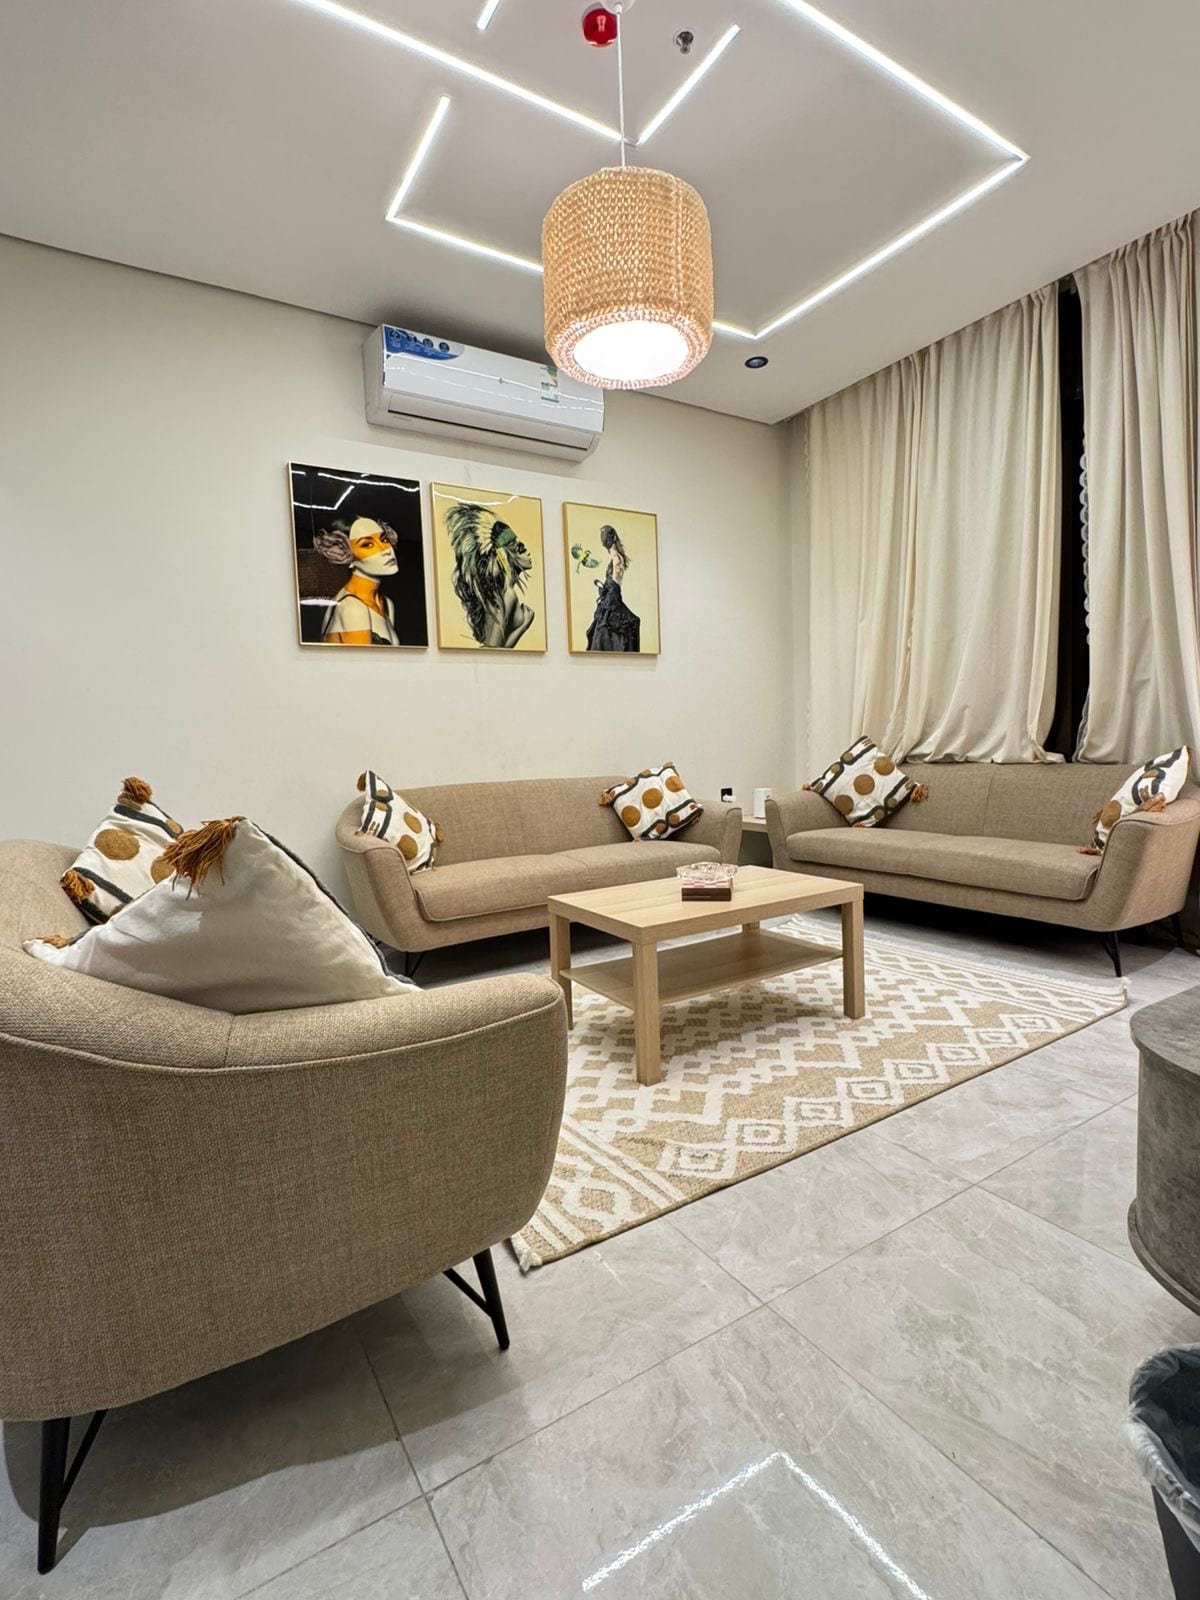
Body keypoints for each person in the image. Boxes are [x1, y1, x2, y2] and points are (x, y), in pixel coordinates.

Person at [313, 517, 402, 645]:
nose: (386, 550)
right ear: (343, 554)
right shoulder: (352, 608)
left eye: (384, 539)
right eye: (367, 545)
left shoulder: (386, 604)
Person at [586, 524, 641, 651]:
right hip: (608, 600)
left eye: (605, 535)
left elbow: (616, 582)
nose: (603, 539)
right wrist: (603, 588)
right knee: (599, 631)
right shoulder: (614, 559)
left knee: (605, 631)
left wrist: (608, 589)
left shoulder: (617, 559)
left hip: (613, 601)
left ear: (613, 537)